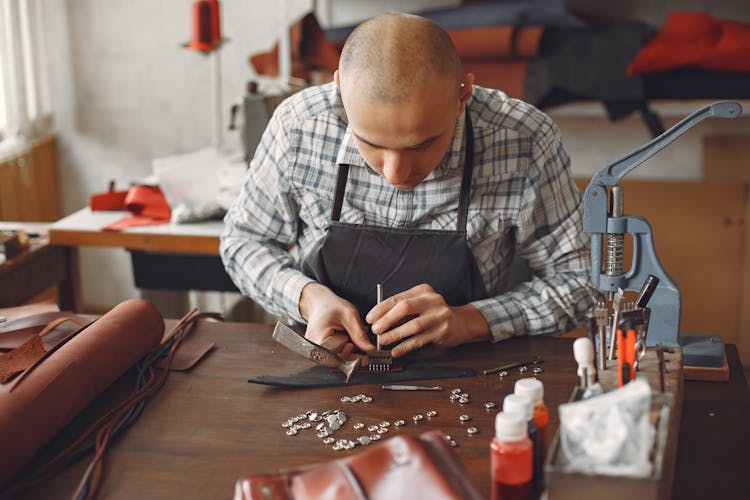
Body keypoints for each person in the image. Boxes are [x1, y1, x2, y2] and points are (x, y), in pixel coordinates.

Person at [220, 12, 596, 360]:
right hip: (328, 366)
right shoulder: (300, 126)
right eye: (371, 143)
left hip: (470, 372)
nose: (396, 174)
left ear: (462, 95)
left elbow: (582, 282)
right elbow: (244, 242)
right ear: (340, 90)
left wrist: (472, 320)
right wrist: (306, 299)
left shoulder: (523, 140)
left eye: (421, 144)